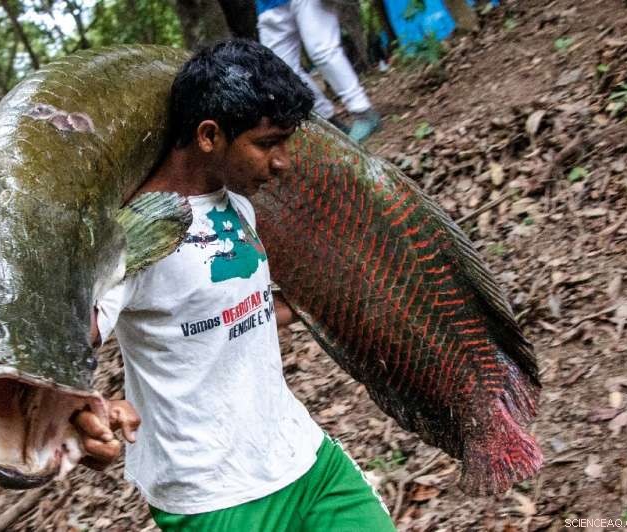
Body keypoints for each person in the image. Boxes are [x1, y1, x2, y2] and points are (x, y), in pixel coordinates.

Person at [73, 40, 396, 530]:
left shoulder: (237, 203)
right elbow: (64, 339)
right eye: (268, 143)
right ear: (209, 136)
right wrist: (83, 409)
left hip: (303, 457)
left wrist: (337, 299)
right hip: (214, 496)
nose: (283, 160)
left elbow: (241, 311)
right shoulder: (129, 236)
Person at [256, 0, 382, 143]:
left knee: (323, 52)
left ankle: (363, 112)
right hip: (268, 5)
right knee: (279, 71)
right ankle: (329, 123)